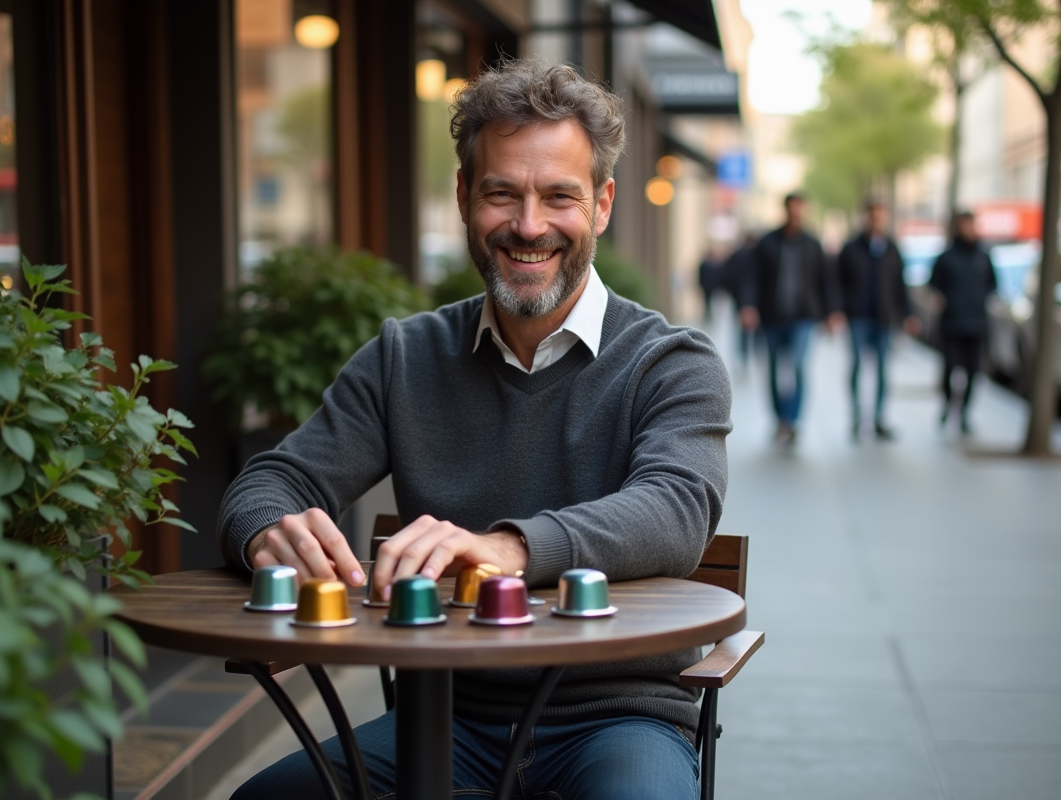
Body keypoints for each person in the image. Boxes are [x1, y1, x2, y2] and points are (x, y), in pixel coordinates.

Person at [219, 58, 731, 800]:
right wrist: (269, 530)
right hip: (443, 714)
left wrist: (506, 548)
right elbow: (272, 480)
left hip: (618, 718)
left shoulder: (671, 362)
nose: (529, 226)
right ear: (463, 197)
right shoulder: (404, 357)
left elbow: (676, 510)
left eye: (559, 196)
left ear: (603, 204)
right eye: (502, 194)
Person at [739, 192, 843, 445]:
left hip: (803, 318)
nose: (796, 214)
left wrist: (832, 312)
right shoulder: (767, 243)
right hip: (772, 316)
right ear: (785, 210)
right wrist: (748, 306)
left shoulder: (812, 244)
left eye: (800, 209)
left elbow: (826, 281)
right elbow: (751, 277)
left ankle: (792, 421)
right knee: (774, 370)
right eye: (792, 209)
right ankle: (780, 419)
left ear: (804, 211)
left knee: (798, 367)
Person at [836, 200, 920, 440]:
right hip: (858, 317)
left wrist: (908, 314)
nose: (876, 221)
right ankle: (855, 417)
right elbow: (838, 282)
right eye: (872, 216)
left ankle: (880, 418)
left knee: (883, 369)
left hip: (883, 318)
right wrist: (839, 310)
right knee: (856, 367)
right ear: (865, 218)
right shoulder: (851, 248)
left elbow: (900, 285)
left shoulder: (892, 249)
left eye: (880, 217)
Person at [929, 210, 997, 435]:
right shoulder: (947, 257)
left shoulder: (983, 255)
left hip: (977, 323)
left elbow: (993, 285)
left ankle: (965, 413)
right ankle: (948, 404)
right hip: (952, 323)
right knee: (949, 369)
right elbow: (934, 285)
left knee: (973, 372)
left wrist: (982, 301)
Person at [723, 232, 758, 367]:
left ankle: (743, 357)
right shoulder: (754, 256)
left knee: (742, 331)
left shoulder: (736, 256)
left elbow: (727, 276)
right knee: (752, 331)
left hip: (738, 299)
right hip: (750, 300)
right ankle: (748, 356)